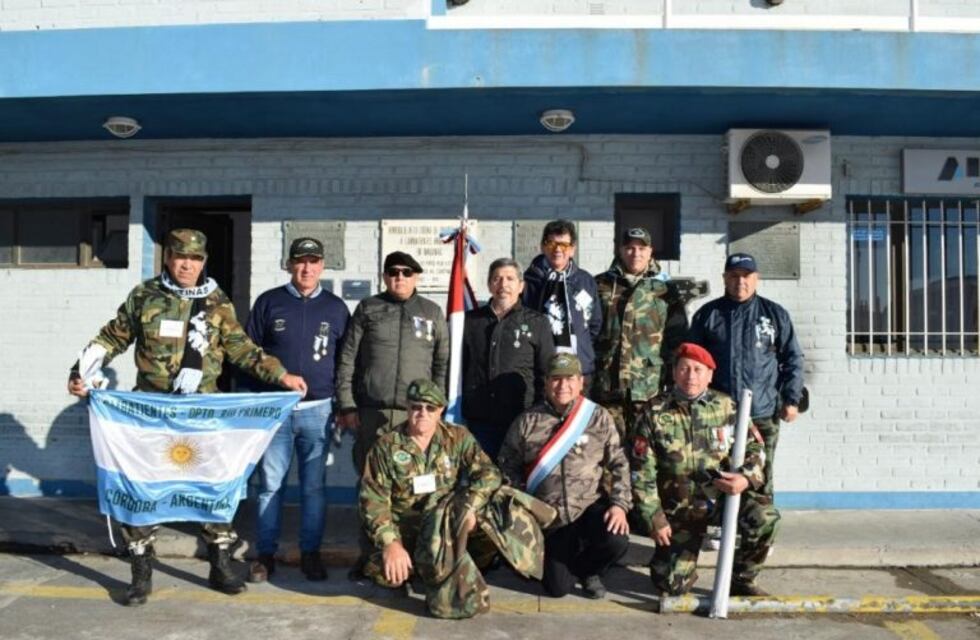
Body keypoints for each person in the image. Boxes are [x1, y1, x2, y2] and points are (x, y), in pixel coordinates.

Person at [67, 228, 307, 606]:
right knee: (142, 489)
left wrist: (281, 375)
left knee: (214, 485)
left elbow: (241, 349)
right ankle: (141, 574)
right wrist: (79, 372)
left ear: (204, 261)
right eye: (181, 256)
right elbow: (112, 338)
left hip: (202, 414)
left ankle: (220, 564)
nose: (187, 264)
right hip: (151, 414)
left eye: (195, 258)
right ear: (168, 257)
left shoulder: (216, 301)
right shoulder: (145, 296)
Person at [359, 379, 556, 619]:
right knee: (385, 574)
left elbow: (489, 473)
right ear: (407, 408)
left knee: (498, 502)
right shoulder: (386, 447)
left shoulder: (457, 437)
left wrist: (470, 506)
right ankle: (422, 568)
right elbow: (373, 501)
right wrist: (391, 544)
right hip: (408, 536)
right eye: (416, 407)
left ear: (440, 410)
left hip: (447, 531)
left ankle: (458, 565)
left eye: (430, 408)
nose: (423, 413)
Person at [687, 252, 804, 593]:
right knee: (714, 474)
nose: (741, 281)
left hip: (762, 414)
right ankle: (718, 529)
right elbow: (692, 361)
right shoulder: (709, 315)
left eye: (747, 276)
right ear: (724, 278)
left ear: (757, 279)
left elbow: (792, 359)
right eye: (734, 275)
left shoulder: (773, 315)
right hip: (717, 417)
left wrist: (791, 399)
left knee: (759, 481)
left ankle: (751, 555)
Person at [335, 250, 449, 576]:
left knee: (418, 487)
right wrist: (347, 404)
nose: (399, 277)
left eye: (406, 272)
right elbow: (348, 360)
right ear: (385, 276)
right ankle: (370, 556)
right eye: (393, 272)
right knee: (371, 487)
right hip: (373, 414)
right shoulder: (369, 309)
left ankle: (414, 556)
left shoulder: (431, 312)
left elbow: (442, 363)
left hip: (417, 417)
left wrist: (436, 409)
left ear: (417, 277)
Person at [630, 343, 774, 597]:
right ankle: (671, 564)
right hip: (678, 510)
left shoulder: (727, 407)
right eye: (684, 368)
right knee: (672, 587)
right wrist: (654, 516)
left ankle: (741, 577)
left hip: (720, 500)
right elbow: (641, 472)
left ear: (709, 375)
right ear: (674, 372)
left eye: (698, 370)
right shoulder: (653, 412)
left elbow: (757, 448)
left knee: (765, 517)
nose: (691, 376)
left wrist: (745, 477)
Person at [244, 237, 350, 583]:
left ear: (322, 266)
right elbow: (247, 355)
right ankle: (265, 555)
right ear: (289, 265)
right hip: (275, 410)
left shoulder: (336, 309)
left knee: (313, 488)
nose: (306, 268)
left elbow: (346, 362)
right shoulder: (268, 302)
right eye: (300, 261)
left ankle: (310, 553)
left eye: (313, 262)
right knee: (270, 485)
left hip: (318, 412)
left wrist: (341, 404)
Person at [497, 353, 631, 599]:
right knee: (557, 589)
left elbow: (619, 463)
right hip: (551, 518)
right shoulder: (527, 421)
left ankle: (590, 571)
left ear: (581, 382)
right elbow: (507, 466)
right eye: (556, 379)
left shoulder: (598, 417)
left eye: (569, 379)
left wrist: (619, 504)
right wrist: (525, 507)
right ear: (546, 382)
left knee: (617, 539)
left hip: (589, 508)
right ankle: (568, 566)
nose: (563, 386)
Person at [462, 257, 554, 458]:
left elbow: (546, 373)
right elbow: (459, 368)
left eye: (510, 279)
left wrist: (539, 415)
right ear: (489, 284)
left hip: (521, 419)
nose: (503, 285)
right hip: (479, 421)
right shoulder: (470, 322)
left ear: (521, 286)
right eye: (497, 279)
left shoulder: (537, 323)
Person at [592, 227, 673, 440]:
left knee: (643, 452)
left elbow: (676, 337)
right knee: (610, 452)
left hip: (648, 388)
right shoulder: (600, 285)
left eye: (641, 248)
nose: (635, 253)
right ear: (620, 250)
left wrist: (672, 384)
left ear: (650, 251)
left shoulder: (665, 289)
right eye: (629, 248)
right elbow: (588, 333)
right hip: (608, 385)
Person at [522, 219, 602, 386]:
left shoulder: (585, 281)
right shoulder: (528, 281)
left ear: (572, 249)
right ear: (543, 247)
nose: (558, 250)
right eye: (551, 244)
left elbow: (594, 324)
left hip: (579, 370)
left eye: (564, 245)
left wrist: (583, 347)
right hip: (542, 371)